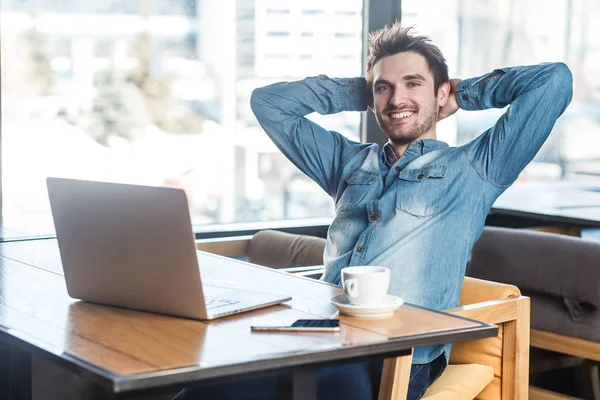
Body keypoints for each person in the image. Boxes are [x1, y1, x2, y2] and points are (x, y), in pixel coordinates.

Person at [174, 22, 572, 400]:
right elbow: (269, 104)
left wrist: (461, 93)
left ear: (439, 93)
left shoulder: (473, 170)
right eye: (385, 88)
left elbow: (553, 81)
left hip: (398, 354)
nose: (397, 99)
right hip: (320, 335)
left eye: (413, 84)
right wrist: (362, 92)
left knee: (335, 382)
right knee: (204, 388)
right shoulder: (346, 163)